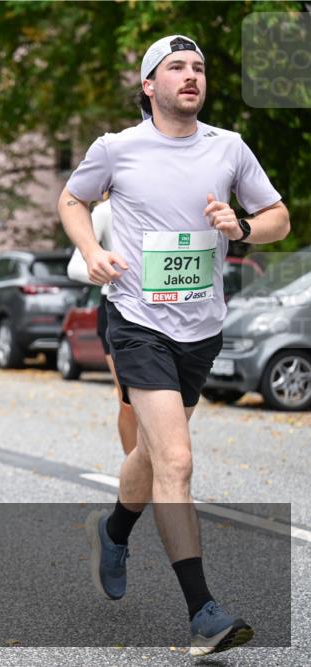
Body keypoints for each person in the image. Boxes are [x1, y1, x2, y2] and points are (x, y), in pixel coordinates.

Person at [59, 35, 290, 656]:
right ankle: (204, 613)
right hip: (136, 319)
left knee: (154, 451)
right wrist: (92, 250)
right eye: (176, 69)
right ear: (148, 85)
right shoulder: (117, 149)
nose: (191, 76)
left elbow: (278, 217)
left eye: (198, 68)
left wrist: (240, 226)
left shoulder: (228, 148)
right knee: (179, 461)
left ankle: (112, 530)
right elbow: (72, 200)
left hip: (201, 325)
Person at [66, 198, 138, 455]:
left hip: (162, 311)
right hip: (117, 310)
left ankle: (160, 469)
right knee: (129, 399)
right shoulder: (106, 211)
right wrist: (109, 275)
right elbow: (75, 267)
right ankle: (137, 475)